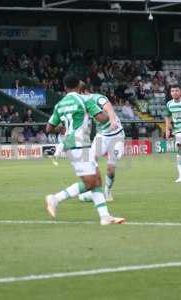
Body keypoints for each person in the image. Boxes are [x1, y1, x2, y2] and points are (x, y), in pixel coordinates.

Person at [45, 75, 125, 226]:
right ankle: (55, 198)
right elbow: (103, 119)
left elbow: (49, 128)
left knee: (97, 180)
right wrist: (107, 115)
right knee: (90, 182)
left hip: (73, 145)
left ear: (65, 87)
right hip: (79, 145)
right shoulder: (85, 100)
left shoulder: (59, 104)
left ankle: (105, 216)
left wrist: (62, 127)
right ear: (78, 85)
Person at [78, 84, 125, 202]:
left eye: (80, 94)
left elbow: (109, 109)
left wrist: (113, 121)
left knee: (110, 168)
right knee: (90, 161)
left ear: (85, 92)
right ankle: (92, 190)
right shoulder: (82, 105)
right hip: (101, 136)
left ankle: (107, 192)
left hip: (116, 136)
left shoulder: (98, 98)